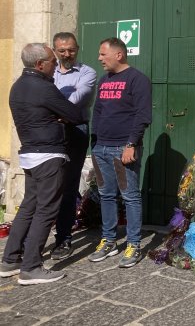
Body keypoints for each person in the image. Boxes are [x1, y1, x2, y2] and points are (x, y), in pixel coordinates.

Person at [0, 43, 85, 285]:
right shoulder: (44, 87)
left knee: (29, 207)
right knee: (46, 210)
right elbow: (76, 114)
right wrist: (60, 116)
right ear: (39, 65)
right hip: (47, 154)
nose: (56, 64)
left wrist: (55, 115)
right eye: (51, 60)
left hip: (29, 153)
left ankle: (10, 259)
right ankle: (31, 267)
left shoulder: (17, 86)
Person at [88, 37, 151, 268]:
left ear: (119, 55)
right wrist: (94, 143)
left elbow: (142, 116)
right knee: (106, 195)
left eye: (103, 54)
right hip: (101, 148)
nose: (99, 58)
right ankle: (109, 241)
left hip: (123, 148)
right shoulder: (104, 81)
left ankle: (134, 244)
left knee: (130, 196)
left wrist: (131, 144)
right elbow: (98, 112)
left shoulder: (138, 80)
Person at [49, 32, 97, 260]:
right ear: (54, 50)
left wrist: (51, 109)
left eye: (71, 50)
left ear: (77, 48)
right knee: (48, 186)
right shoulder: (48, 72)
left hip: (76, 131)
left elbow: (78, 98)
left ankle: (63, 239)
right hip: (50, 132)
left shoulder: (87, 72)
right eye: (62, 50)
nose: (67, 54)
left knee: (68, 187)